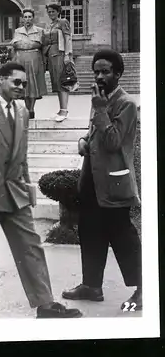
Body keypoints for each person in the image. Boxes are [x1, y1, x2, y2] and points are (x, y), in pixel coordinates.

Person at [0, 62, 82, 319]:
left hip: (15, 193)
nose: (21, 87)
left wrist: (27, 188)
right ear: (1, 79)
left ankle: (45, 304)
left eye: (24, 83)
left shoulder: (22, 111)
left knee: (31, 247)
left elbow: (21, 155)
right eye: (16, 82)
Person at [62, 49, 142, 311]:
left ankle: (144, 289)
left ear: (118, 74)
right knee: (90, 231)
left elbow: (113, 142)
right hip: (92, 178)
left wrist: (100, 109)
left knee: (122, 236)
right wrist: (83, 141)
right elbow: (94, 134)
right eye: (96, 71)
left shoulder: (126, 103)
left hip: (114, 182)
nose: (99, 76)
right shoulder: (100, 98)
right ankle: (91, 285)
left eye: (105, 71)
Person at [11, 8, 47, 119]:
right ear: (23, 18)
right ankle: (27, 109)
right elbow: (15, 46)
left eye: (30, 17)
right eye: (25, 17)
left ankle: (32, 109)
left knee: (33, 84)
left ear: (33, 18)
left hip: (34, 60)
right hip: (21, 59)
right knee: (24, 84)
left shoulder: (40, 31)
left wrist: (44, 61)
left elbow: (43, 46)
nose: (27, 19)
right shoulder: (18, 31)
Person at [44, 2, 73, 122]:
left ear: (58, 12)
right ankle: (61, 109)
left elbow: (68, 38)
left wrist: (67, 55)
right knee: (56, 83)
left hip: (60, 54)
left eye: (53, 11)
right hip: (51, 55)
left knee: (62, 82)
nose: (51, 13)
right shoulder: (50, 25)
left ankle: (64, 110)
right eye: (49, 12)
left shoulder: (62, 22)